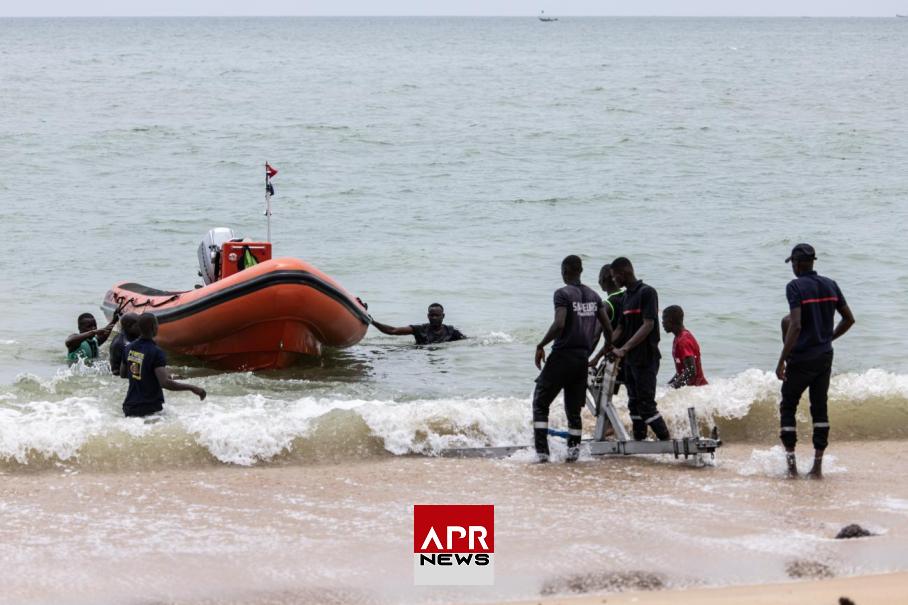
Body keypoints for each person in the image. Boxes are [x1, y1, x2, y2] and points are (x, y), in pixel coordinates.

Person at [775, 243, 854, 479]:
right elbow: (849, 319)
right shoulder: (831, 284)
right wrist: (827, 337)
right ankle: (817, 468)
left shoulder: (795, 287)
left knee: (788, 405)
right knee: (819, 408)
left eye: (793, 264)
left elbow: (797, 324)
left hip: (802, 358)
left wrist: (781, 360)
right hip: (824, 356)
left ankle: (792, 468)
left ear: (797, 264)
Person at [533, 255, 613, 463]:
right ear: (581, 270)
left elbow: (559, 324)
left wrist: (541, 344)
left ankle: (542, 455)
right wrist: (606, 348)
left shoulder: (562, 294)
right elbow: (607, 329)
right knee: (573, 410)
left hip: (562, 355)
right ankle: (573, 456)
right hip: (581, 359)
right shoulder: (595, 296)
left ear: (566, 270)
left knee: (541, 401)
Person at [606, 257, 671, 441]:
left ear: (624, 273)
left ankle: (667, 442)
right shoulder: (626, 297)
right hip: (629, 361)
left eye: (614, 276)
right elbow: (620, 328)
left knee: (646, 405)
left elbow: (648, 324)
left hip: (646, 358)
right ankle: (639, 443)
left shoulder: (647, 292)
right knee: (633, 404)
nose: (614, 281)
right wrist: (604, 348)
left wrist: (624, 349)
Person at [120, 314, 206, 417]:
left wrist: (146, 373)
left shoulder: (128, 348)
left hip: (129, 407)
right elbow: (165, 383)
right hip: (150, 409)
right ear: (154, 327)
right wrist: (192, 388)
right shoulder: (156, 352)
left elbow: (123, 373)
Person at [371, 303, 466, 344]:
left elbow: (467, 342)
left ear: (443, 316)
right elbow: (393, 330)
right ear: (428, 316)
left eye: (437, 315)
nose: (434, 318)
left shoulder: (451, 331)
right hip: (420, 355)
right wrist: (372, 322)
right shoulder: (420, 329)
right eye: (432, 315)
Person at [662, 305, 708, 388]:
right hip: (694, 389)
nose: (662, 323)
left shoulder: (683, 340)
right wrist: (668, 386)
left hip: (698, 389)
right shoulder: (678, 338)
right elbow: (682, 371)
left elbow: (691, 371)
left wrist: (673, 388)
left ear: (671, 320)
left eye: (664, 319)